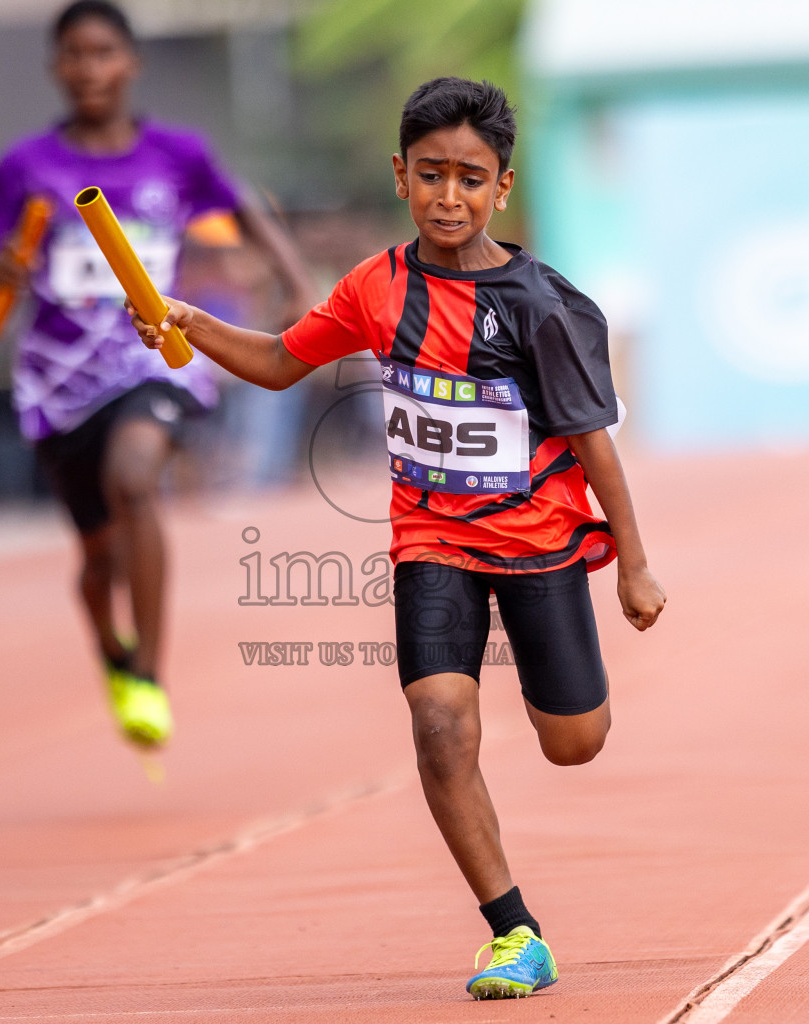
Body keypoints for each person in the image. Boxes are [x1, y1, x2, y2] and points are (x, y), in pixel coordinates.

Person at [130, 77, 667, 998]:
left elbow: (592, 441)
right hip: (431, 544)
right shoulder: (376, 288)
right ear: (399, 175)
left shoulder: (539, 305)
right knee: (438, 726)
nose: (447, 197)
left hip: (539, 541)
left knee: (574, 741)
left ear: (502, 186)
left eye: (469, 178)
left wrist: (636, 566)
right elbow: (277, 360)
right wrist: (192, 323)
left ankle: (560, 709)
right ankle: (515, 933)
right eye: (430, 176)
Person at [0, 0, 316, 750]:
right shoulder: (24, 168)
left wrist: (293, 280)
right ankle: (112, 649)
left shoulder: (176, 154)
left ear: (131, 63)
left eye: (104, 53)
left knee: (135, 477)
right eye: (75, 55)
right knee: (97, 554)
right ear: (57, 67)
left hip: (151, 353)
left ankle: (150, 674)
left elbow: (241, 202)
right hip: (58, 381)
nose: (90, 69)